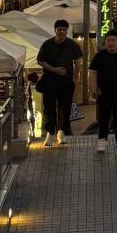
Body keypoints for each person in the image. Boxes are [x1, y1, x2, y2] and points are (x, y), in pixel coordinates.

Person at [36, 19, 82, 147]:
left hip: (66, 82)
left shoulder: (72, 45)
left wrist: (75, 78)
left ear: (67, 31)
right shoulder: (47, 44)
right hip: (50, 82)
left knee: (65, 108)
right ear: (55, 30)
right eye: (59, 29)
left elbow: (77, 62)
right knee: (49, 108)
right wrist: (54, 70)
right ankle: (50, 134)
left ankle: (61, 133)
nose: (62, 31)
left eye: (64, 29)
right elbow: (40, 61)